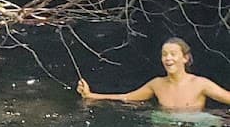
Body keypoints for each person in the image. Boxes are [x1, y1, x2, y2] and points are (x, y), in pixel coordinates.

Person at [77, 38, 230, 112]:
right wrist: (91, 95)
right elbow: (127, 97)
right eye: (164, 54)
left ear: (185, 58)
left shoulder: (201, 84)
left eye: (173, 54)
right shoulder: (156, 84)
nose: (168, 58)